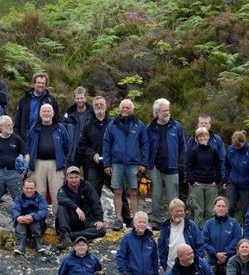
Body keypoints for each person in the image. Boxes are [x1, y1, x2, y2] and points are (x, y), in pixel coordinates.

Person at [76, 96, 131, 225]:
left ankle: (127, 218)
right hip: (94, 165)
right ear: (93, 107)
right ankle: (91, 219)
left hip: (112, 164)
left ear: (106, 105)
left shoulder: (115, 123)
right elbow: (82, 145)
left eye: (101, 104)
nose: (99, 107)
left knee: (119, 191)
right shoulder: (88, 126)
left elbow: (122, 143)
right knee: (92, 193)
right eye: (96, 105)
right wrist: (92, 154)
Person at [103, 98, 148, 231]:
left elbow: (145, 144)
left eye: (128, 107)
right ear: (120, 108)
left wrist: (144, 162)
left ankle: (135, 219)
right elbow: (106, 144)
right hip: (116, 162)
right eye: (123, 107)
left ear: (132, 109)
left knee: (134, 192)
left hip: (134, 163)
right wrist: (107, 164)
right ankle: (118, 219)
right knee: (117, 191)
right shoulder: (112, 125)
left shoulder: (139, 125)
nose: (125, 110)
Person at [0, 116, 27, 230]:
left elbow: (26, 154)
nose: (10, 126)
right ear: (0, 127)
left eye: (11, 124)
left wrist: (24, 169)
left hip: (14, 173)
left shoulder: (17, 139)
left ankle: (20, 223)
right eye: (7, 125)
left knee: (18, 199)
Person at [146, 98, 185, 225]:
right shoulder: (150, 128)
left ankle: (174, 221)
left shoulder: (177, 126)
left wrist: (177, 160)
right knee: (156, 195)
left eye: (168, 110)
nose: (167, 113)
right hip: (155, 166)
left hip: (172, 166)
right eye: (164, 110)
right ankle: (157, 220)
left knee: (173, 196)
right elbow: (145, 147)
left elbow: (182, 146)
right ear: (157, 112)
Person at [26, 103, 69, 213]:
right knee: (39, 193)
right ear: (40, 114)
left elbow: (67, 146)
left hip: (56, 164)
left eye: (48, 111)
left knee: (57, 193)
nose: (46, 113)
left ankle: (59, 220)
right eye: (44, 111)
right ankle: (40, 220)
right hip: (38, 163)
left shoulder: (60, 128)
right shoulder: (34, 129)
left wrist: (63, 162)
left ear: (53, 113)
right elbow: (29, 146)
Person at [56, 166, 105, 247]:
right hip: (71, 221)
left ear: (80, 177)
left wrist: (99, 220)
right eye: (71, 177)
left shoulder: (87, 186)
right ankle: (64, 235)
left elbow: (96, 203)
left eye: (76, 177)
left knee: (102, 229)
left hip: (86, 220)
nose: (74, 180)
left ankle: (73, 236)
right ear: (66, 178)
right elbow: (61, 199)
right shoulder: (63, 189)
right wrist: (76, 208)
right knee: (62, 207)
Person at [185, 126, 223, 227]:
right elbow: (188, 166)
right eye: (200, 136)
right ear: (197, 138)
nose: (203, 138)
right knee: (199, 211)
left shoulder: (214, 151)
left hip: (211, 184)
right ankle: (198, 232)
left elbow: (218, 166)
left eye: (205, 136)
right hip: (198, 184)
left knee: (211, 211)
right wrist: (192, 181)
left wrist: (217, 180)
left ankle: (209, 231)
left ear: (208, 137)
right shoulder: (193, 151)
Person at [158, 198, 206, 270]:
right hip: (170, 267)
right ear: (171, 212)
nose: (180, 213)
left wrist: (196, 263)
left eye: (181, 211)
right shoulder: (165, 226)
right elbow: (160, 247)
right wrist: (163, 263)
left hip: (189, 267)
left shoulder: (191, 225)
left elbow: (200, 245)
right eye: (177, 211)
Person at [202, 197, 242, 275]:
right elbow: (205, 242)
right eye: (218, 206)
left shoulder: (234, 223)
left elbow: (236, 241)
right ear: (214, 208)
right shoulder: (208, 224)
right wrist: (216, 254)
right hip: (212, 261)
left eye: (223, 206)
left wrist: (225, 254)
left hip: (230, 261)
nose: (221, 208)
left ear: (227, 209)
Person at [14, 71, 59, 141]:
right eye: (38, 82)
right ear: (34, 84)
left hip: (44, 139)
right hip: (25, 139)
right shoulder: (24, 99)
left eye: (43, 83)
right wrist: (17, 138)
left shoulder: (51, 100)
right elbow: (17, 120)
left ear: (46, 85)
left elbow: (56, 121)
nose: (41, 85)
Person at [224, 130, 249, 220]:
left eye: (238, 145)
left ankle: (246, 231)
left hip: (246, 185)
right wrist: (226, 179)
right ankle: (229, 227)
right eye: (235, 145)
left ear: (243, 142)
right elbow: (227, 165)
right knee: (229, 206)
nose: (237, 147)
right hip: (233, 182)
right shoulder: (231, 149)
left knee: (246, 210)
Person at [12, 177, 49, 255]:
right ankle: (21, 244)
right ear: (23, 188)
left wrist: (33, 217)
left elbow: (44, 210)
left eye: (31, 188)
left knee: (32, 215)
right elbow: (15, 209)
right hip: (22, 226)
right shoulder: (19, 198)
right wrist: (18, 217)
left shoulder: (40, 198)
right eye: (27, 188)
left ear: (35, 188)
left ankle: (37, 242)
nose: (29, 190)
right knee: (22, 217)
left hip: (38, 226)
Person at [62, 86, 93, 165]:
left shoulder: (92, 114)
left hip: (88, 151)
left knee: (89, 177)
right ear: (74, 99)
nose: (80, 100)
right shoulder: (68, 114)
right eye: (77, 98)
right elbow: (63, 134)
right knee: (71, 176)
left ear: (85, 98)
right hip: (73, 152)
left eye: (81, 98)